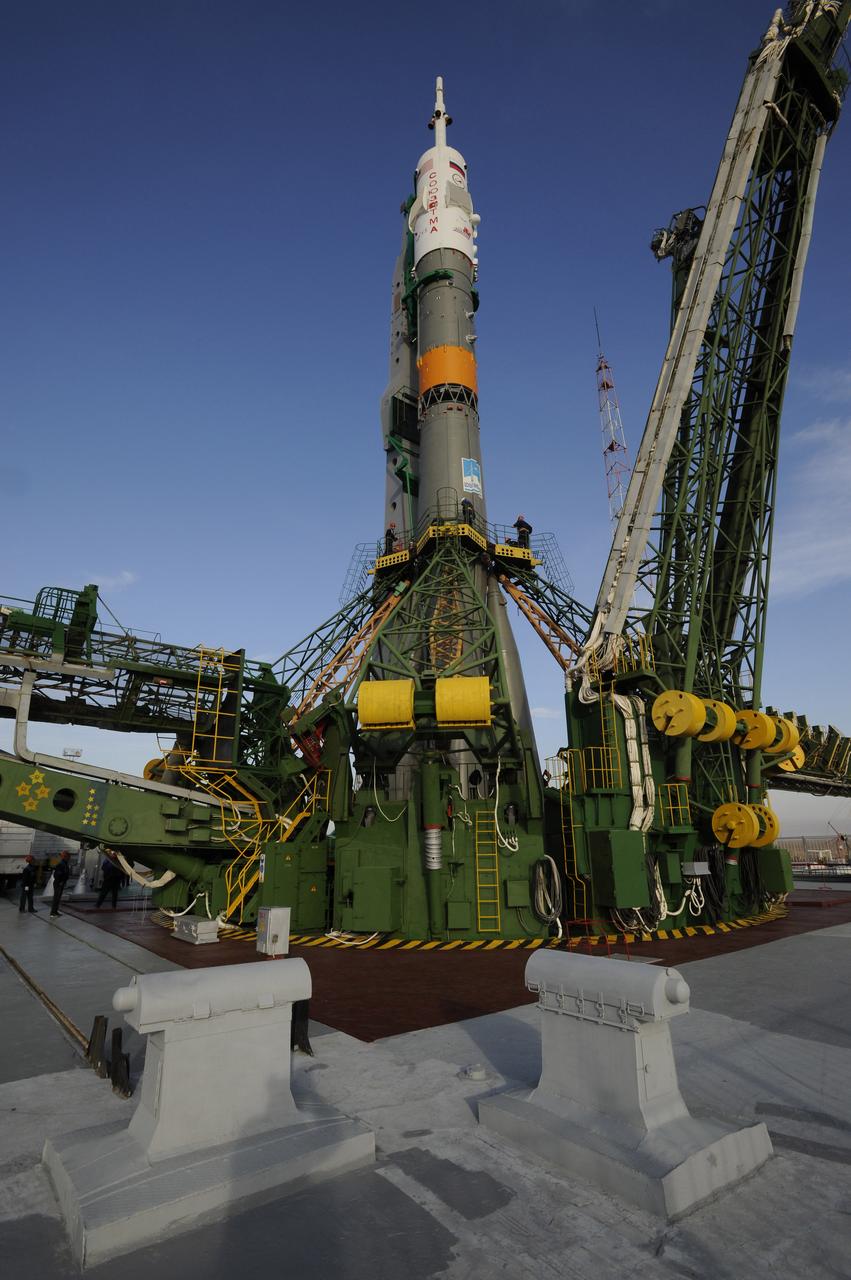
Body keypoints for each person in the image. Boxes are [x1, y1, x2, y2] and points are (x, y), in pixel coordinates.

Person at [50, 850, 71, 918]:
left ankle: (55, 911)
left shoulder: (64, 863)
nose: (69, 858)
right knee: (56, 898)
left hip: (61, 883)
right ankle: (53, 913)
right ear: (65, 857)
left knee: (58, 898)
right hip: (58, 883)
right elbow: (57, 874)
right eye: (68, 856)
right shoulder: (61, 864)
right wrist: (60, 882)